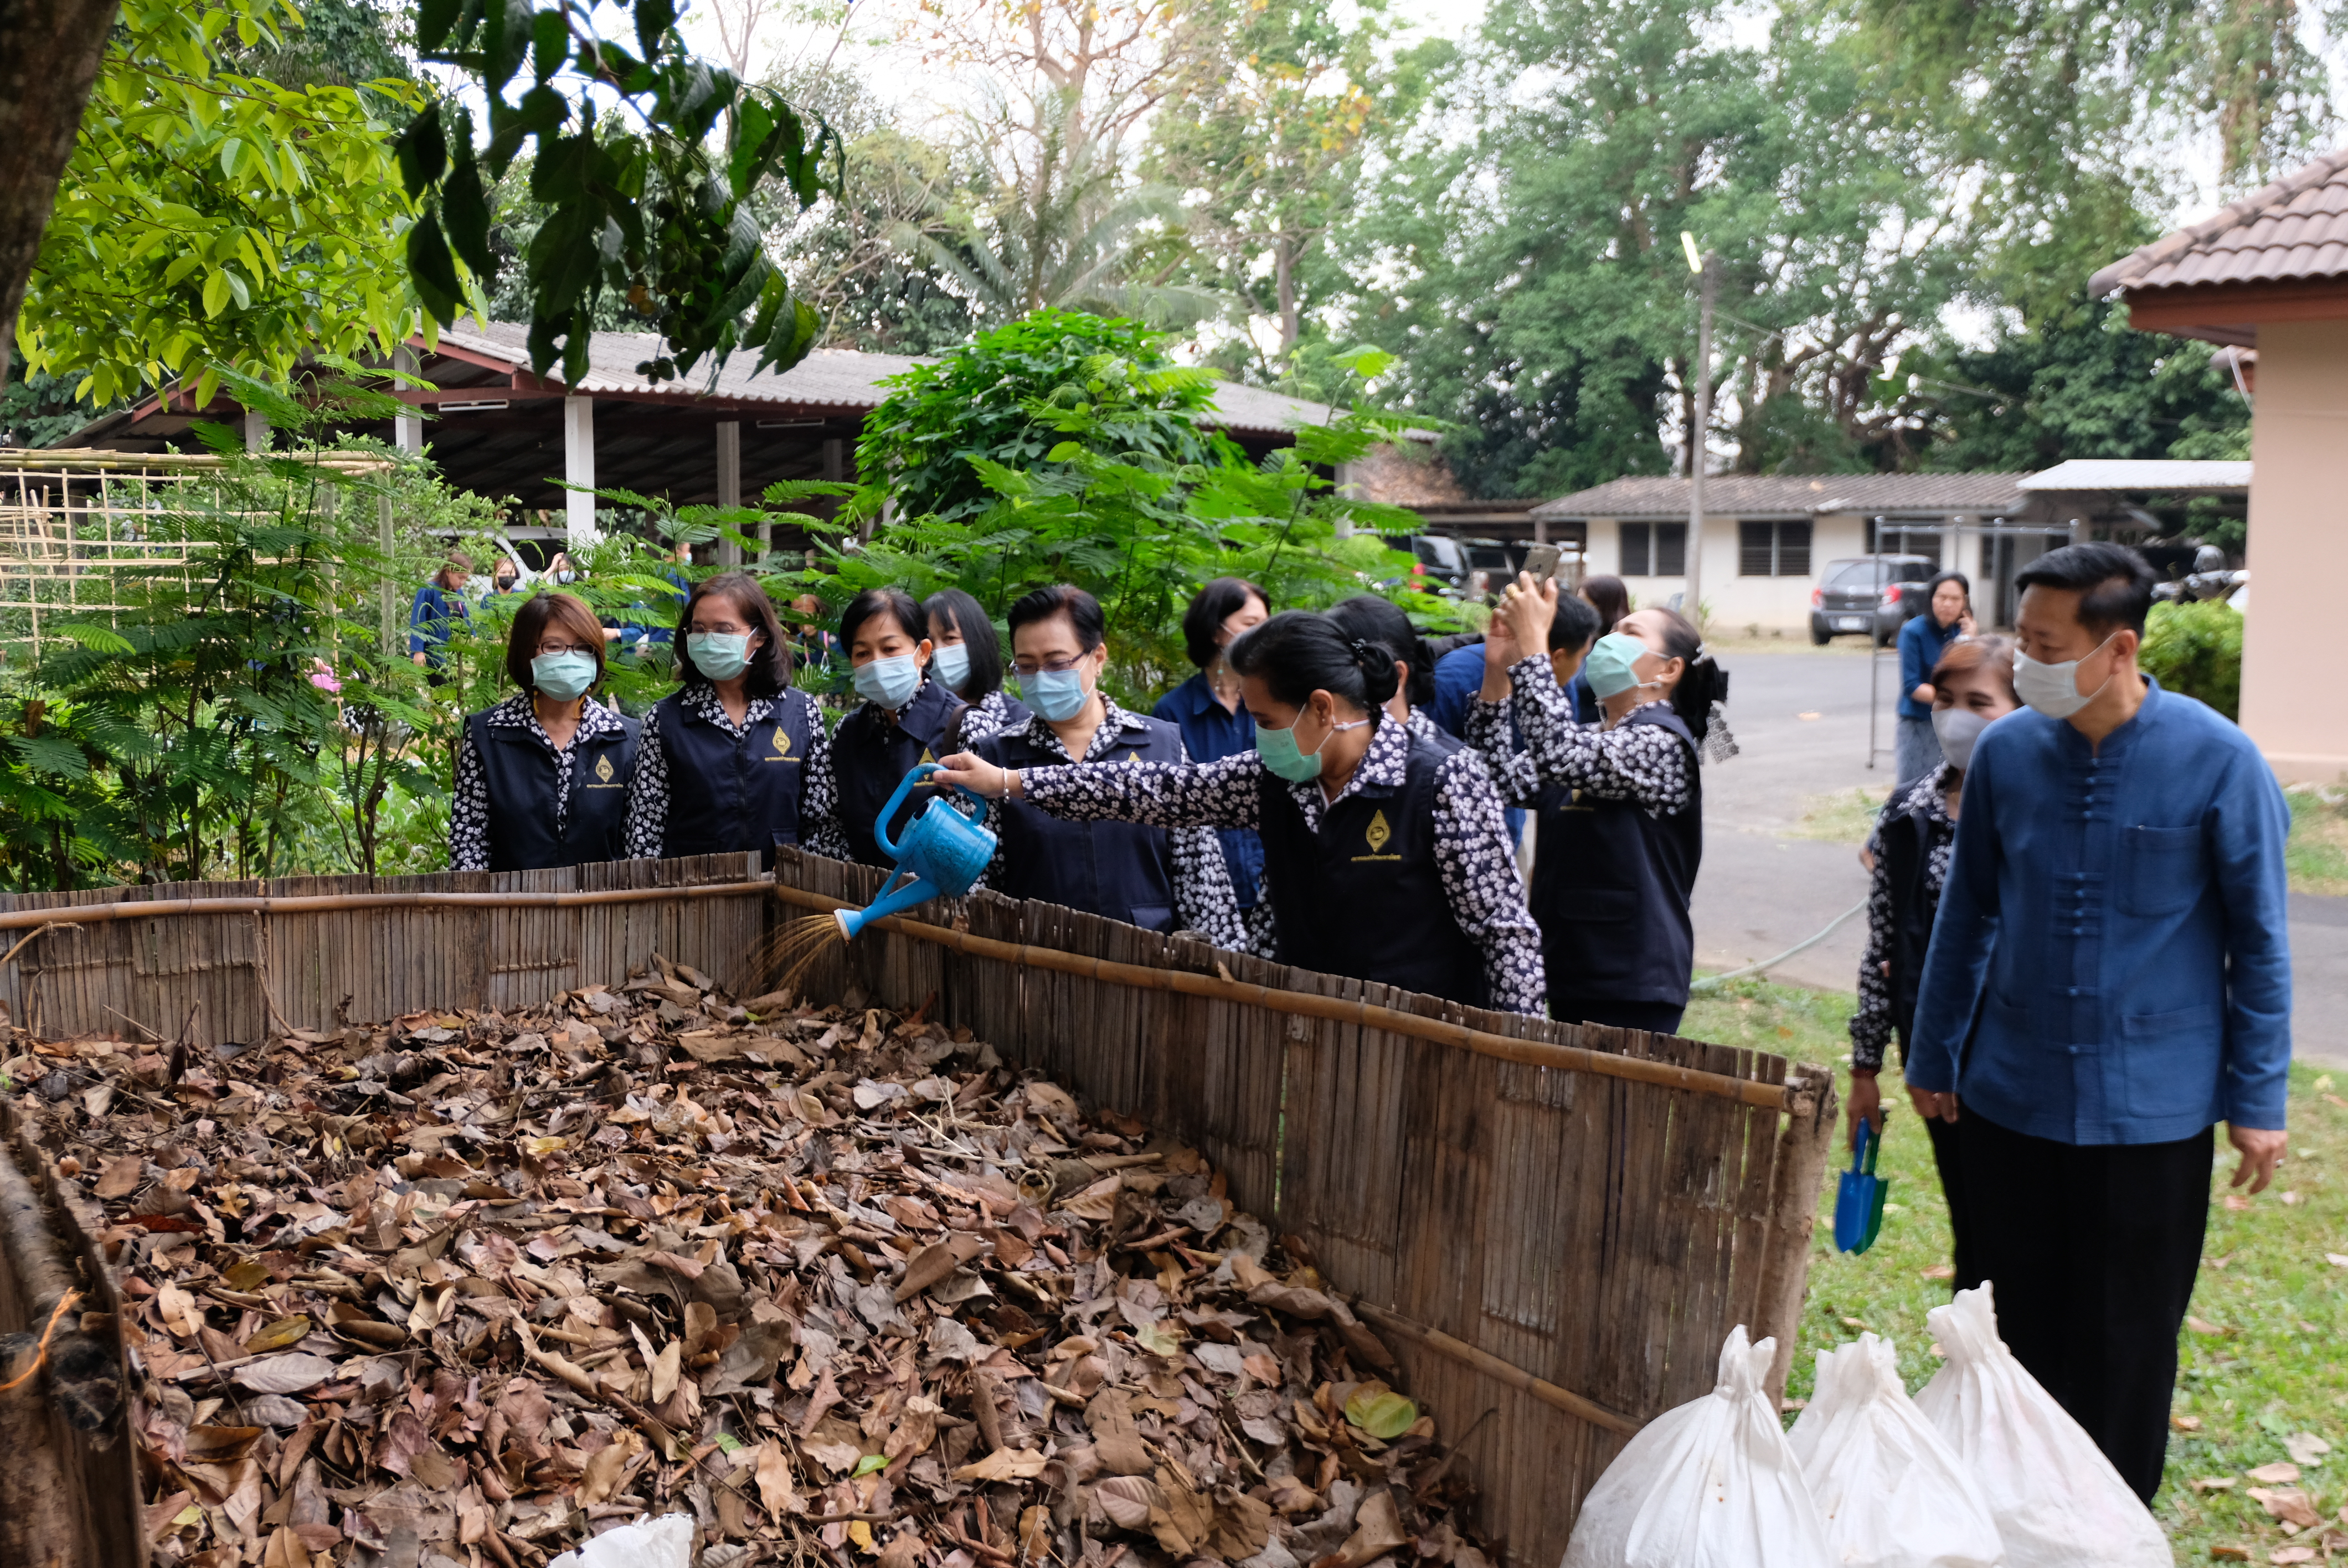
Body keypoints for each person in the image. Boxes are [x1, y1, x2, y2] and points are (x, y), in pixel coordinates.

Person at [1904, 541, 2289, 1504]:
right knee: (2012, 1326)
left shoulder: (2219, 760)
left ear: (2117, 648)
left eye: (2045, 642)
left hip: (2149, 1110)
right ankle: (2011, 1516)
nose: (2022, 658)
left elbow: (2263, 945)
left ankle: (2116, 1526)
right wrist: (1934, 1050)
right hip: (2009, 1094)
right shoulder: (2007, 752)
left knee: (2128, 1338)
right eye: (2021, 637)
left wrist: (2258, 1100)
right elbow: (1968, 916)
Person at [934, 611, 1546, 1013]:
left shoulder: (1440, 780)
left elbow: (1503, 932)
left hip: (1428, 1030)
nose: (1258, 740)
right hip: (1316, 1024)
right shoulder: (1276, 779)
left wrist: (1518, 1056)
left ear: (1322, 709)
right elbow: (1151, 791)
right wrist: (1011, 781)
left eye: (1265, 722)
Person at [1471, 578, 1733, 1033]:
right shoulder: (1593, 740)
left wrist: (1535, 646)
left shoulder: (1662, 743)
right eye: (1614, 632)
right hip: (1571, 965)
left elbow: (1558, 754)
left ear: (1670, 670)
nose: (1611, 641)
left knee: (1617, 1107)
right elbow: (1493, 780)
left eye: (1631, 634)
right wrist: (1497, 675)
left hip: (1632, 978)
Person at [1845, 634, 2020, 1287]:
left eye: (1980, 702)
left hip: (2018, 1053)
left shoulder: (2035, 809)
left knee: (2018, 1223)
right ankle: (1973, 1364)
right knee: (1970, 1220)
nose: (1957, 718)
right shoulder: (1907, 813)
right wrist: (1866, 1067)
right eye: (1945, 700)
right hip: (1936, 1057)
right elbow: (1883, 942)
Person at [970, 585, 1245, 947]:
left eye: (1057, 663)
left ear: (1098, 657)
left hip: (1147, 966)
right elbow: (975, 882)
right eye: (1026, 666)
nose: (1040, 677)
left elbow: (1201, 878)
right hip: (1036, 966)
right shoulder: (994, 757)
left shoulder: (1161, 745)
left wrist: (1221, 971)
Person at [622, 571, 842, 866]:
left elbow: (822, 822)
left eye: (724, 630)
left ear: (760, 636)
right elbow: (645, 830)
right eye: (698, 629)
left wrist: (808, 886)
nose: (708, 640)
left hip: (782, 893)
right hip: (693, 895)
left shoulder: (801, 714)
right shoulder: (665, 720)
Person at [451, 592, 640, 871]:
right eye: (553, 647)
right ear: (527, 652)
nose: (570, 657)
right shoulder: (488, 735)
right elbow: (470, 846)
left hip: (604, 910)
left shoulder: (626, 738)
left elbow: (641, 848)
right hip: (511, 909)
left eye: (583, 648)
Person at [830, 587, 974, 867]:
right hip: (856, 899)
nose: (877, 662)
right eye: (862, 653)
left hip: (933, 904)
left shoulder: (964, 727)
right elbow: (830, 825)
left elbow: (975, 842)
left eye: (890, 649)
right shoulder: (846, 732)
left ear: (923, 652)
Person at [1153, 578, 1271, 912]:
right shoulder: (1172, 711)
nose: (1263, 636)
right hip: (1205, 886)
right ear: (1217, 631)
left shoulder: (1281, 704)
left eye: (1267, 625)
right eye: (1251, 625)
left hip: (1274, 879)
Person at [1895, 570, 1975, 783]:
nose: (1948, 604)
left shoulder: (1964, 633)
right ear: (1931, 599)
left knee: (1949, 788)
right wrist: (1952, 700)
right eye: (1942, 597)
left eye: (1955, 599)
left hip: (1955, 723)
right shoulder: (1913, 631)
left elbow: (1969, 678)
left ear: (1965, 603)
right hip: (1920, 723)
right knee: (1913, 787)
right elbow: (1912, 686)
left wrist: (1970, 641)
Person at [924, 587, 1031, 740]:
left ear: (977, 640)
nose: (937, 651)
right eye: (929, 642)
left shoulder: (1017, 723)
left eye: (950, 638)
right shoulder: (909, 720)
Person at [1571, 574, 1631, 723]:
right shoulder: (1588, 637)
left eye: (1584, 605)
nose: (1579, 612)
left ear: (1604, 606)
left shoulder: (1621, 645)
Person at [409, 551, 473, 678]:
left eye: (466, 578)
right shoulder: (428, 590)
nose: (463, 582)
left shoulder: (458, 592)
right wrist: (418, 652)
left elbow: (466, 621)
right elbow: (418, 622)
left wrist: (474, 638)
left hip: (453, 659)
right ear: (448, 572)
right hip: (433, 658)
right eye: (460, 577)